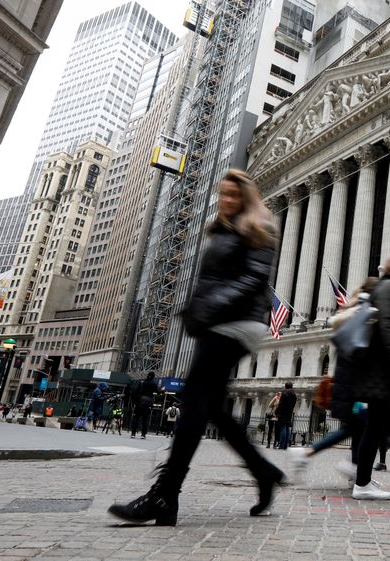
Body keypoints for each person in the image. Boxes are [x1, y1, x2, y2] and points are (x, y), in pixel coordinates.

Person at [109, 169, 284, 525]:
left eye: (234, 195)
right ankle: (263, 471)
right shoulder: (224, 229)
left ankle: (164, 495)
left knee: (193, 400)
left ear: (246, 197)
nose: (227, 200)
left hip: (235, 323)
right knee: (213, 408)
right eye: (223, 194)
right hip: (218, 321)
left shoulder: (258, 226)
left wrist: (208, 308)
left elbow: (253, 280)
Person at [289, 278, 380, 480]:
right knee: (358, 426)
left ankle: (356, 471)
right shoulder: (365, 313)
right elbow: (361, 351)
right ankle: (308, 453)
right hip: (355, 385)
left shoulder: (353, 311)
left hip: (347, 381)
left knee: (357, 427)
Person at [352, 253, 390, 500]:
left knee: (377, 427)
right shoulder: (389, 286)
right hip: (384, 369)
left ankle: (363, 479)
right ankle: (361, 483)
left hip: (385, 368)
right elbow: (387, 325)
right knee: (375, 427)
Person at [130, 372, 158, 439]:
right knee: (145, 419)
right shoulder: (154, 384)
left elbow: (136, 392)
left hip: (140, 403)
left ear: (147, 375)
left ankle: (133, 433)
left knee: (136, 418)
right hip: (148, 404)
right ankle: (143, 434)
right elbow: (157, 391)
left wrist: (135, 402)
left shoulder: (142, 383)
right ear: (153, 377)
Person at [275, 382, 297, 449]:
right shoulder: (294, 394)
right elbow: (294, 404)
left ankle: (281, 445)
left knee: (283, 428)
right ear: (291, 387)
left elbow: (280, 404)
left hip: (283, 412)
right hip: (289, 412)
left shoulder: (284, 393)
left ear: (285, 386)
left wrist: (277, 411)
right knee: (287, 428)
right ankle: (285, 445)